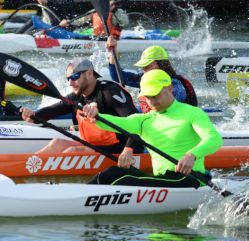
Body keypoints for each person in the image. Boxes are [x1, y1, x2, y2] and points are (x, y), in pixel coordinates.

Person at [82, 69, 223, 188]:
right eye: (148, 97)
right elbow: (116, 122)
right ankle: (79, 195)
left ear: (170, 88)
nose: (152, 101)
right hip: (165, 180)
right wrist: (96, 116)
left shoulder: (192, 113)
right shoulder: (145, 120)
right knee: (112, 173)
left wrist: (191, 155)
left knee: (123, 180)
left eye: (156, 95)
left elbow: (214, 139)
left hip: (190, 178)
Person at [20, 58, 142, 157]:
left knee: (73, 151)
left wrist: (128, 150)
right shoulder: (76, 97)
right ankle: (28, 166)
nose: (70, 83)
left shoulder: (110, 92)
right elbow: (52, 110)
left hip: (124, 148)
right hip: (95, 146)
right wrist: (34, 116)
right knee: (57, 144)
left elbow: (137, 124)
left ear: (89, 73)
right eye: (68, 79)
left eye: (74, 77)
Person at [106, 39, 197, 111]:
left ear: (157, 65)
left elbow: (162, 110)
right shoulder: (145, 78)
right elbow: (117, 75)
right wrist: (112, 52)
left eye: (146, 66)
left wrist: (128, 109)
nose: (143, 70)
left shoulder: (175, 85)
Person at [62, 0, 128, 38]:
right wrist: (69, 22)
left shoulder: (117, 12)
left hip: (112, 38)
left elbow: (125, 22)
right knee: (77, 32)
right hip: (97, 37)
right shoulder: (94, 11)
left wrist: (114, 10)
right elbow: (81, 20)